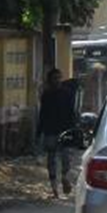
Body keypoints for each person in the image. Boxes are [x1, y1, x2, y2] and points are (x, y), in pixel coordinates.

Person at [37, 68, 77, 198]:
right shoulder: (46, 95)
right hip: (50, 131)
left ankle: (64, 177)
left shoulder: (68, 93)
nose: (57, 80)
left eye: (59, 78)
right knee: (52, 159)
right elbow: (42, 115)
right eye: (55, 78)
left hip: (63, 130)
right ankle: (54, 188)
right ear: (50, 80)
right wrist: (39, 132)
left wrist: (73, 129)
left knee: (65, 158)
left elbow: (72, 113)